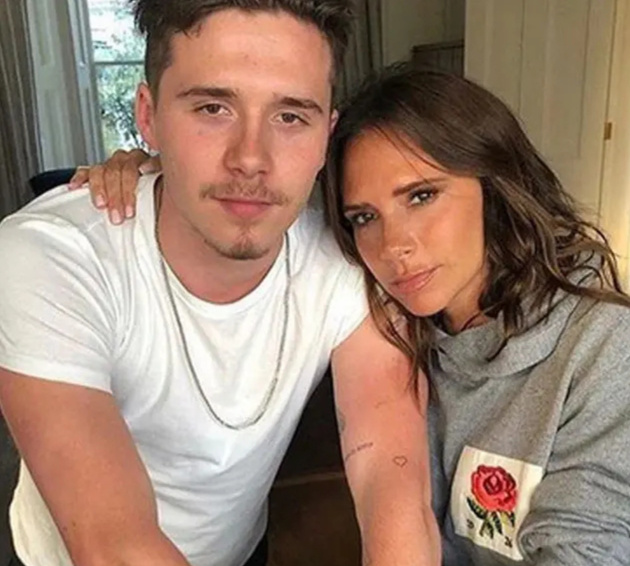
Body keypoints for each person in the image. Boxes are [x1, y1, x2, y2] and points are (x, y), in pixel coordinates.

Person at [94, 63, 630, 564]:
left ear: (496, 184)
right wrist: (164, 180)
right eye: (364, 217)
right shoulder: (385, 319)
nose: (394, 244)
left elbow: (587, 550)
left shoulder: (604, 347)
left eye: (421, 196)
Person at [0, 3, 440, 566]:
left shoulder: (350, 257)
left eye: (290, 117)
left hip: (241, 548)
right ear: (149, 116)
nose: (250, 159)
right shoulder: (50, 255)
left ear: (326, 135)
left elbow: (392, 481)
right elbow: (115, 545)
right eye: (212, 108)